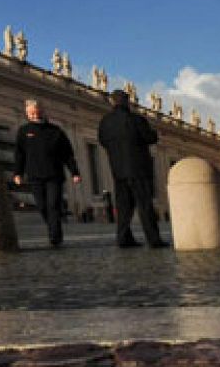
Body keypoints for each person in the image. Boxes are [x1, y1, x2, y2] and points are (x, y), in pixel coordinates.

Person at [96, 90, 166, 248]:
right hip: (139, 169)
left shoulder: (105, 122)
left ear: (112, 102)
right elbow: (150, 138)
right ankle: (154, 240)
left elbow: (102, 141)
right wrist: (154, 133)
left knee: (123, 207)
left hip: (118, 170)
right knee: (144, 205)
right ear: (127, 102)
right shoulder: (136, 120)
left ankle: (123, 238)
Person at [13, 99, 79, 247]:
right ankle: (53, 228)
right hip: (35, 176)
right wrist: (17, 173)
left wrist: (74, 172)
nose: (33, 114)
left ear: (41, 111)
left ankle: (55, 236)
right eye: (30, 112)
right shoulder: (23, 131)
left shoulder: (56, 131)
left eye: (35, 111)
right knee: (42, 206)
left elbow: (67, 154)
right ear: (27, 114)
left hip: (54, 175)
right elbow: (19, 154)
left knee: (53, 205)